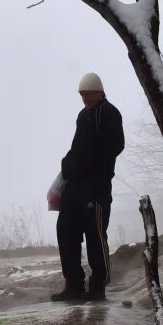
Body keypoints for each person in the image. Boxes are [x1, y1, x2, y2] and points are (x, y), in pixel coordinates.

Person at [51, 72, 125, 303]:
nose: (85, 98)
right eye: (82, 95)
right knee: (66, 231)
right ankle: (73, 283)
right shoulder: (83, 116)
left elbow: (116, 146)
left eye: (89, 94)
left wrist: (91, 167)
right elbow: (77, 148)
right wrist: (66, 168)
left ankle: (98, 284)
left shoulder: (108, 112)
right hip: (74, 187)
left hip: (96, 188)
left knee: (95, 235)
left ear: (99, 92)